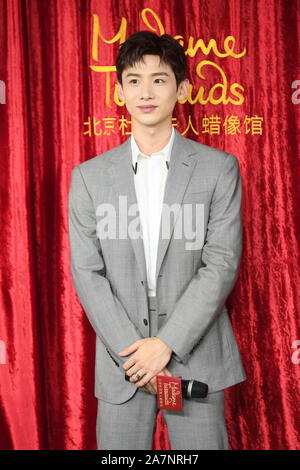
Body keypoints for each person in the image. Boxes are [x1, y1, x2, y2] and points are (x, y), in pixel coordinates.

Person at [68, 31, 246, 450]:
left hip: (194, 351)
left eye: (159, 79)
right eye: (134, 80)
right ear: (119, 90)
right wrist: (137, 355)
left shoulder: (219, 169)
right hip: (122, 361)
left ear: (181, 88)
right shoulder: (89, 177)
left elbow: (220, 263)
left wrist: (165, 345)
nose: (146, 92)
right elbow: (87, 272)